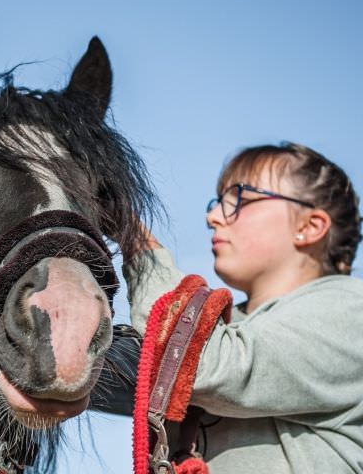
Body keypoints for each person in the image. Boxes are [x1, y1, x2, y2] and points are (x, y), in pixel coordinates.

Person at [121, 142, 363, 473]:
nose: (213, 217)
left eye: (240, 199)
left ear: (310, 226)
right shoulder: (236, 327)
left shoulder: (352, 310)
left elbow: (201, 365)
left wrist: (137, 244)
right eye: (218, 202)